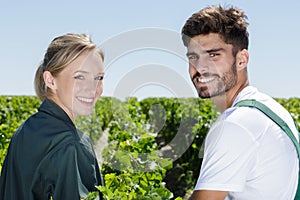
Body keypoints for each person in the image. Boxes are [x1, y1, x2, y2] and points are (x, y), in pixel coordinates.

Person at [181, 5, 299, 200]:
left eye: (213, 55)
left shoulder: (235, 125)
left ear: (242, 59)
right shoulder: (268, 107)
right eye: (193, 57)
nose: (200, 68)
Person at [0, 33, 104, 199]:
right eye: (80, 76)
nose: (93, 88)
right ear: (50, 80)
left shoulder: (26, 129)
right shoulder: (73, 145)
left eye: (98, 77)